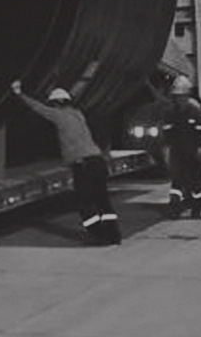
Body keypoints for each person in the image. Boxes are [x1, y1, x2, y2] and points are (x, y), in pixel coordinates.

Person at [10, 79, 120, 244]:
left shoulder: (58, 114)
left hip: (83, 166)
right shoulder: (78, 114)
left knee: (85, 204)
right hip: (98, 161)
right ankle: (113, 236)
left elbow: (38, 108)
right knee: (102, 200)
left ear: (55, 103)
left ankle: (98, 235)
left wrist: (20, 94)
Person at [162, 76, 201, 218]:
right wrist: (166, 150)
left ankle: (197, 208)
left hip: (193, 151)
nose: (180, 99)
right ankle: (175, 208)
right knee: (176, 181)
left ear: (187, 95)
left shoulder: (196, 112)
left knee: (196, 183)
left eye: (182, 96)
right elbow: (167, 134)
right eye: (177, 97)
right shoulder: (170, 112)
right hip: (177, 151)